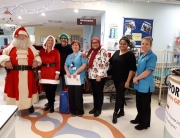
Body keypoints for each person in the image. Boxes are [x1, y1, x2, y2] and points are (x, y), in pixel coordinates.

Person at [0, 26, 42, 113]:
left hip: (28, 73)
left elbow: (37, 56)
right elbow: (3, 55)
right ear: (16, 36)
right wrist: (6, 61)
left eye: (23, 36)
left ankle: (30, 105)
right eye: (19, 35)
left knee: (29, 89)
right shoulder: (10, 46)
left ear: (27, 37)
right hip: (14, 73)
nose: (21, 37)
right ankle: (13, 106)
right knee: (14, 90)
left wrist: (36, 61)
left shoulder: (31, 47)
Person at [131, 37, 157, 130]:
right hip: (139, 84)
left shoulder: (152, 56)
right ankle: (139, 118)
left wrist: (137, 77)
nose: (144, 46)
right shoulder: (142, 56)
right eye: (143, 44)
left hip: (146, 85)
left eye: (147, 44)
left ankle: (145, 123)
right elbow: (138, 69)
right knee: (139, 103)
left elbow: (148, 71)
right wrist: (136, 78)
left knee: (145, 105)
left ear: (150, 45)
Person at [109, 36, 137, 124]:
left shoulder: (130, 55)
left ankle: (115, 113)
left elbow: (132, 69)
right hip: (116, 78)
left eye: (124, 44)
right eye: (121, 43)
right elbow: (110, 62)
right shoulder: (117, 52)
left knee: (119, 95)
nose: (122, 45)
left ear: (128, 45)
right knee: (120, 95)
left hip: (124, 79)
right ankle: (122, 111)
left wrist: (128, 81)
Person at [64, 40, 87, 117]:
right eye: (73, 45)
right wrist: (67, 72)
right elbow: (66, 65)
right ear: (71, 47)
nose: (75, 46)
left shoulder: (82, 55)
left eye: (77, 45)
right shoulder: (69, 56)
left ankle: (80, 111)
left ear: (79, 47)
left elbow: (84, 65)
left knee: (78, 95)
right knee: (71, 94)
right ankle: (72, 110)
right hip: (70, 78)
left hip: (79, 77)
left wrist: (76, 72)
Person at [87, 37, 109, 117]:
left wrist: (99, 75)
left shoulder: (102, 51)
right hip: (92, 76)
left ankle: (99, 109)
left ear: (99, 43)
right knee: (95, 93)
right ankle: (95, 107)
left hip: (100, 76)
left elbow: (105, 64)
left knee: (99, 93)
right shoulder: (91, 51)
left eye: (96, 42)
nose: (95, 44)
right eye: (93, 43)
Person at [38, 35, 60, 113]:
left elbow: (58, 63)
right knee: (47, 90)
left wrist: (57, 73)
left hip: (53, 71)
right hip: (44, 71)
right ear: (46, 41)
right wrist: (39, 72)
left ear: (53, 42)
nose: (50, 41)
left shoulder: (56, 51)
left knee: (52, 90)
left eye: (52, 40)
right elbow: (39, 63)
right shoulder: (41, 51)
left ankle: (52, 105)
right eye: (49, 40)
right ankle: (49, 103)